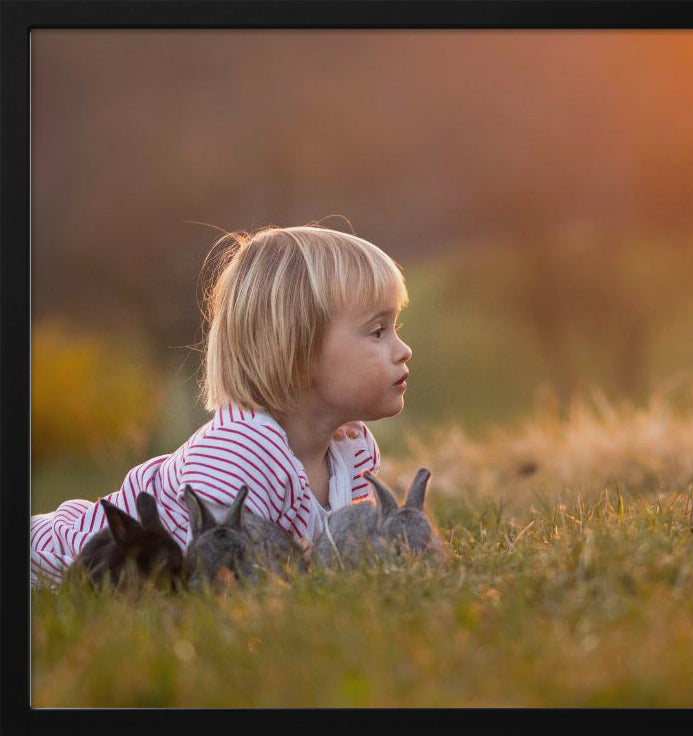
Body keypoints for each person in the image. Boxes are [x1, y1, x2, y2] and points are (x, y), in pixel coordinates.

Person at [30, 224, 412, 587]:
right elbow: (201, 574)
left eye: (395, 328)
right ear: (296, 351)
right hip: (48, 557)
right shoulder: (238, 454)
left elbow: (346, 556)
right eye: (378, 331)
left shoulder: (353, 451)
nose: (403, 350)